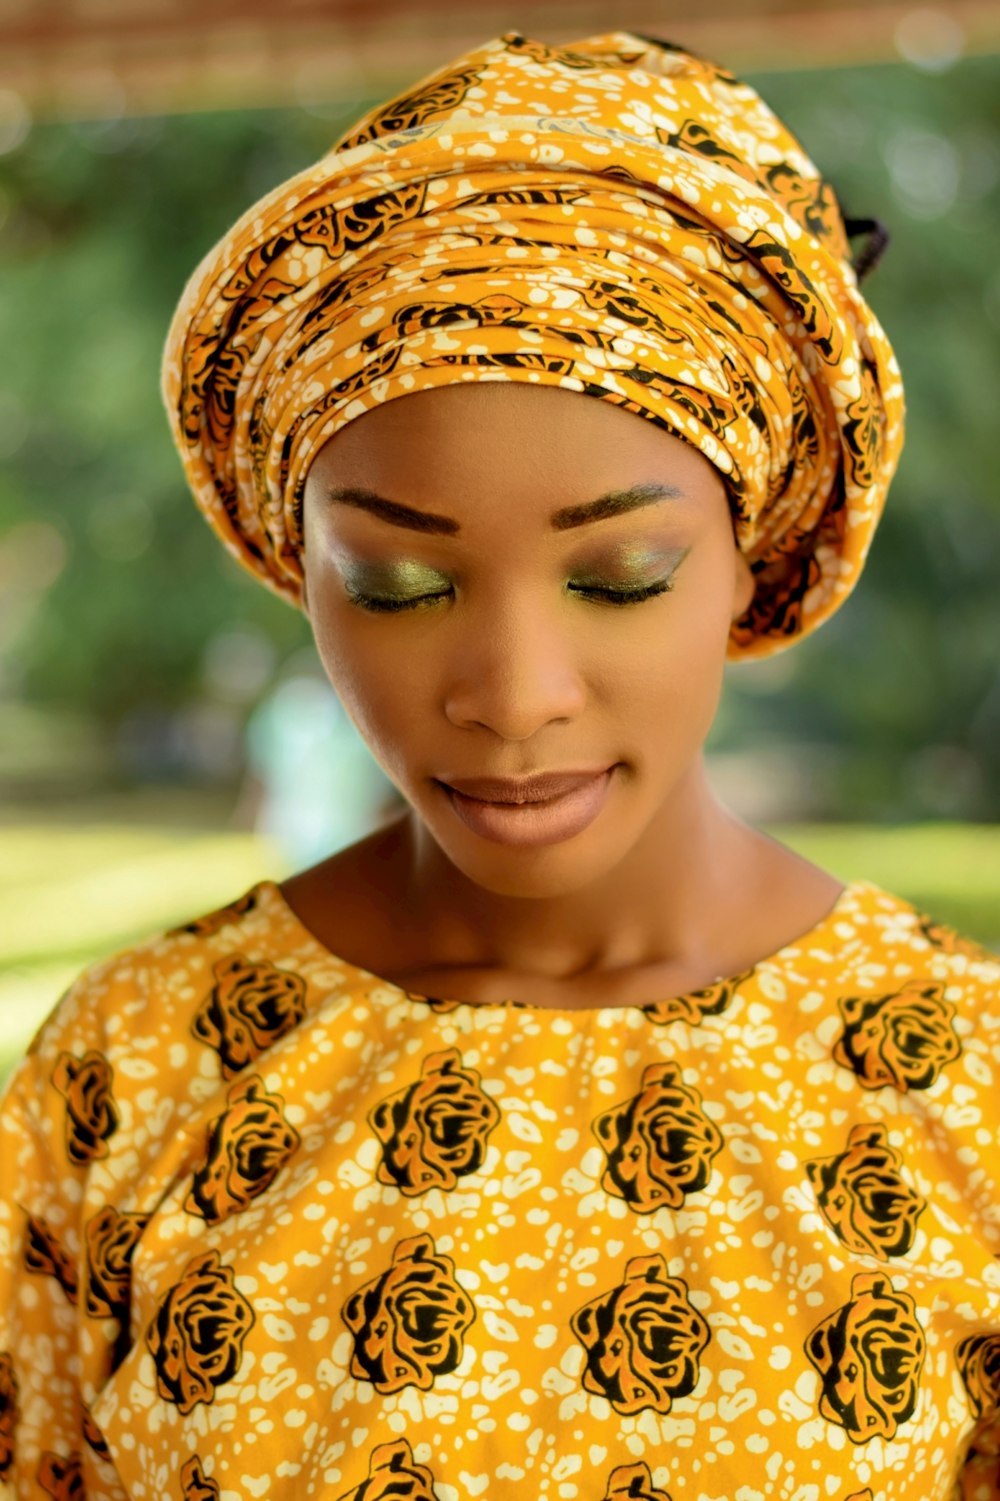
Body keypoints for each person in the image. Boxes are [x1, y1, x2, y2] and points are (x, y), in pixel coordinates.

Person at [1, 29, 997, 1501]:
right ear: (299, 568)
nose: (514, 697)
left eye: (623, 573)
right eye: (401, 583)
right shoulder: (135, 1067)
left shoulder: (966, 1086)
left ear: (755, 555)